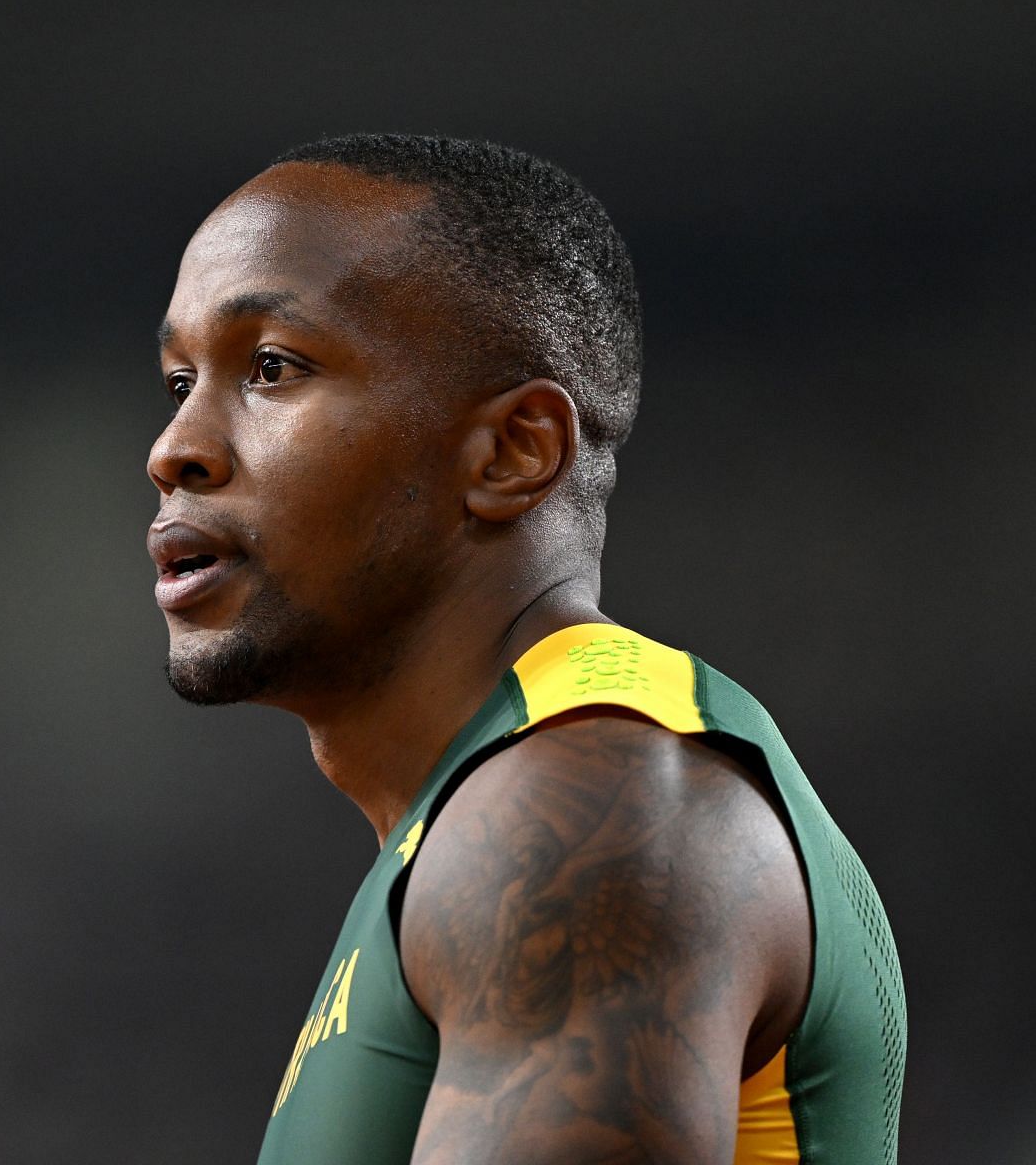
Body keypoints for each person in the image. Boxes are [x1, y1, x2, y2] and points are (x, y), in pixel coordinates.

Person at [145, 134, 906, 1164]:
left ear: (514, 451)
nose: (174, 447)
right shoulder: (483, 815)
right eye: (181, 376)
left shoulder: (590, 805)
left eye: (272, 366)